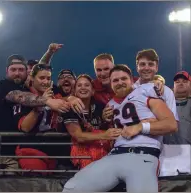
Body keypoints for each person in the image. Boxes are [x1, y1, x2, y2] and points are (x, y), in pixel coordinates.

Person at [62, 65, 178, 193]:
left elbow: (171, 124)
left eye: (124, 79)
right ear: (110, 84)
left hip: (142, 155)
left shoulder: (146, 90)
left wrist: (140, 127)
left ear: (132, 81)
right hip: (114, 155)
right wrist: (106, 121)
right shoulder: (109, 105)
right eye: (115, 80)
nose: (120, 83)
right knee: (71, 188)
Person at [0, 54, 69, 174]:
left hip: (11, 151)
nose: (17, 73)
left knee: (13, 183)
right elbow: (18, 96)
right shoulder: (2, 86)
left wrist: (50, 52)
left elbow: (40, 71)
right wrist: (46, 101)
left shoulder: (27, 85)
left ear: (27, 72)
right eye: (13, 70)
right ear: (7, 71)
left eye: (21, 70)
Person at [14, 64, 70, 174]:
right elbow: (25, 128)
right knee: (37, 185)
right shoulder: (25, 97)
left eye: (48, 78)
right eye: (41, 78)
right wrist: (42, 102)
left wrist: (70, 98)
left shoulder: (55, 95)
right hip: (31, 152)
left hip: (54, 154)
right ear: (32, 79)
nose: (45, 82)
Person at [62, 74, 118, 169]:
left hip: (101, 154)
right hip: (74, 160)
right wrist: (104, 135)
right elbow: (78, 136)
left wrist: (106, 120)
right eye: (79, 85)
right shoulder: (68, 108)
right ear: (74, 91)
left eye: (87, 85)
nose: (83, 88)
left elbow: (107, 126)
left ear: (92, 91)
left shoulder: (100, 106)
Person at [163, 71, 191, 144]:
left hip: (187, 150)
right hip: (165, 150)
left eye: (185, 81)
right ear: (173, 86)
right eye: (177, 82)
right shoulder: (163, 103)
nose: (181, 84)